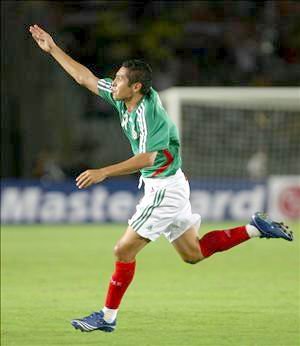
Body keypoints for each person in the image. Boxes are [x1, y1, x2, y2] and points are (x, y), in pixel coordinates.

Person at [29, 24, 294, 333]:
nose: (113, 83)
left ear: (136, 87)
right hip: (171, 184)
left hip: (164, 189)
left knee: (122, 251)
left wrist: (104, 171)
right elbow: (83, 77)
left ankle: (107, 317)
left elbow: (148, 158)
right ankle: (254, 228)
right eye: (114, 78)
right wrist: (52, 48)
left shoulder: (150, 112)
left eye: (119, 79)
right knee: (192, 254)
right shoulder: (121, 97)